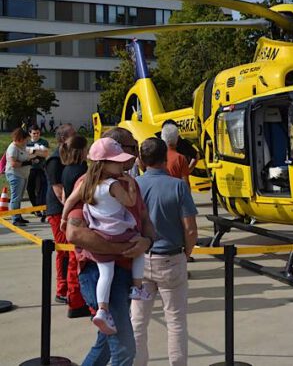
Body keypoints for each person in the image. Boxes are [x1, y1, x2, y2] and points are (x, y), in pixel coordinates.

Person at [66, 127, 154, 366]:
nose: (135, 155)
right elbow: (74, 232)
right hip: (100, 272)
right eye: (130, 149)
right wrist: (123, 249)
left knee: (104, 344)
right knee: (125, 350)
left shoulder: (129, 182)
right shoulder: (89, 184)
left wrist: (146, 242)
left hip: (123, 273)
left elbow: (145, 222)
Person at [131, 138, 198, 366]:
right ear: (165, 158)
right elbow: (190, 228)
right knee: (176, 321)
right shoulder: (178, 186)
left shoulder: (134, 185)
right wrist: (186, 254)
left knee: (138, 320)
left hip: (140, 261)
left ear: (141, 160)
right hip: (171, 257)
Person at [45, 123, 88, 313]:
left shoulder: (72, 163)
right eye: (73, 134)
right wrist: (69, 215)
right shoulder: (55, 161)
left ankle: (70, 290)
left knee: (70, 254)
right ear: (63, 139)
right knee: (65, 252)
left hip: (67, 211)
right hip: (58, 211)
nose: (75, 136)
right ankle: (63, 290)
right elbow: (59, 191)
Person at [4, 128, 38, 226]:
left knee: (19, 197)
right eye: (25, 140)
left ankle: (18, 216)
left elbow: (26, 156)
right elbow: (13, 163)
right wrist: (29, 162)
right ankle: (15, 218)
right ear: (19, 139)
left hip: (23, 175)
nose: (26, 142)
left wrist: (33, 158)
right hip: (15, 175)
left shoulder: (21, 146)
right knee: (16, 197)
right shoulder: (13, 148)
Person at [26, 125, 49, 222]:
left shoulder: (43, 142)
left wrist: (33, 151)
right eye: (34, 133)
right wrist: (38, 152)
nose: (36, 135)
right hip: (29, 169)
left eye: (38, 133)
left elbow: (45, 154)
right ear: (30, 133)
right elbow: (25, 155)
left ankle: (42, 209)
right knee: (30, 189)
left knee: (40, 189)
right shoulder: (27, 142)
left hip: (40, 169)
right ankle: (35, 208)